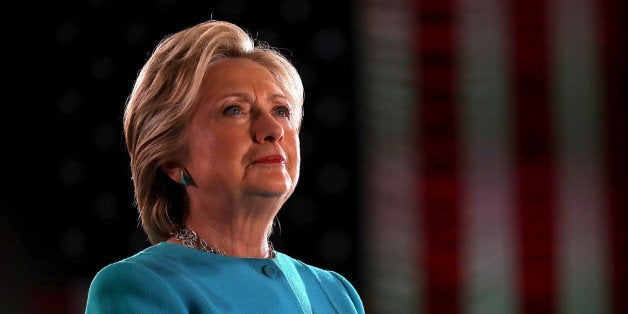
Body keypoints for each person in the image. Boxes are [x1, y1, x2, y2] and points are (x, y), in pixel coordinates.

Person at [84, 20, 365, 313]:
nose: (273, 129)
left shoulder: (337, 294)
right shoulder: (140, 286)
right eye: (235, 110)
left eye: (281, 111)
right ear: (171, 160)